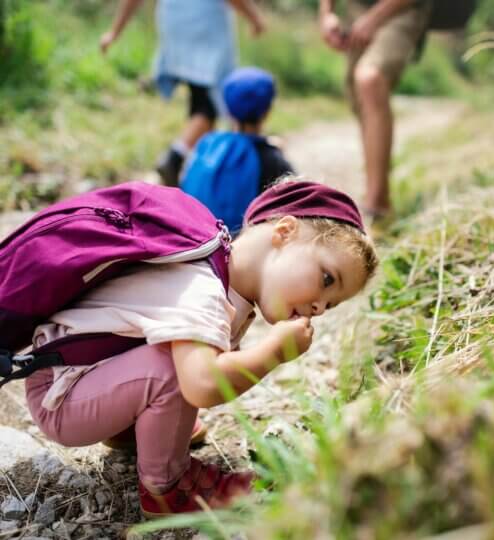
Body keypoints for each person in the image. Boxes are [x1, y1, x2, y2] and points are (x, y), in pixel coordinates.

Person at [24, 178, 378, 517]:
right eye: (327, 279)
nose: (319, 308)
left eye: (331, 305)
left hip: (84, 376)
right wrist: (273, 353)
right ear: (284, 232)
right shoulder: (202, 285)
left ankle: (133, 429)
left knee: (184, 360)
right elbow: (202, 385)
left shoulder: (225, 281)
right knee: (175, 371)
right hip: (63, 394)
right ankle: (169, 487)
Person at [100, 0, 266, 186]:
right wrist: (254, 18)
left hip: (173, 22)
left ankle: (197, 167)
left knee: (199, 95)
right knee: (210, 102)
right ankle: (175, 157)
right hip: (205, 24)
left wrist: (115, 31)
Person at [319, 0, 431, 220]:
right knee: (358, 97)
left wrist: (374, 18)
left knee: (370, 78)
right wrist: (327, 14)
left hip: (403, 8)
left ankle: (375, 206)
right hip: (359, 9)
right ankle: (378, 194)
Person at [181, 66, 295, 235]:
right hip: (234, 245)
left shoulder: (207, 143)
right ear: (267, 112)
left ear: (227, 110)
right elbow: (295, 200)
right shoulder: (271, 158)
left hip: (193, 236)